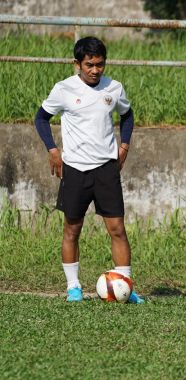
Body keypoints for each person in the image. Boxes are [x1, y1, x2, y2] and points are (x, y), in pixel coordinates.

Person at [34, 36, 143, 303]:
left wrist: (124, 147)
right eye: (90, 64)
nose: (95, 70)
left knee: (117, 228)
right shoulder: (63, 89)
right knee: (72, 229)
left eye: (100, 65)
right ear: (77, 64)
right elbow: (41, 118)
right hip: (75, 169)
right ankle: (73, 287)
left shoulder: (114, 88)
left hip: (106, 168)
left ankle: (125, 287)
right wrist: (52, 149)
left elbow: (127, 115)